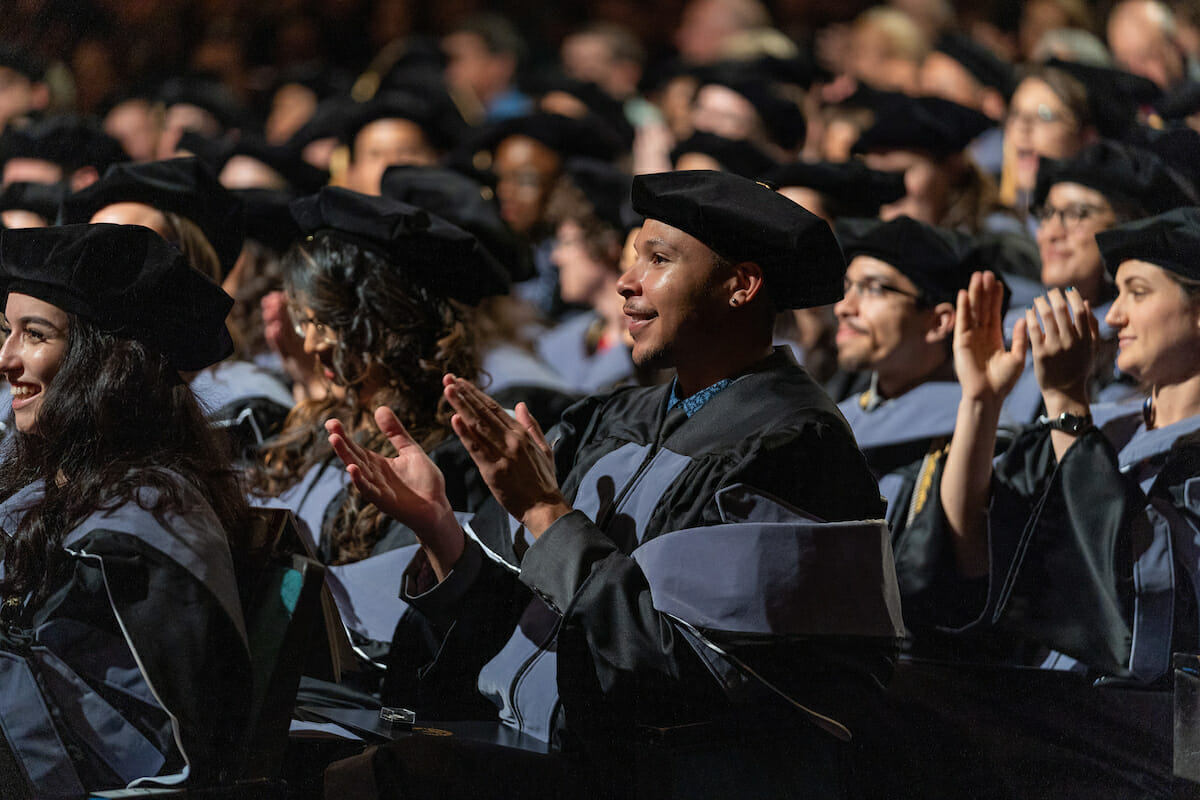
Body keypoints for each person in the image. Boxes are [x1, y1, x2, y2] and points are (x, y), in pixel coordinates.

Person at [324, 171, 901, 797]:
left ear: (741, 285)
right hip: (535, 744)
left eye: (659, 260)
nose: (627, 282)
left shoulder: (793, 449)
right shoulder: (614, 420)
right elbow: (519, 612)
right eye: (633, 258)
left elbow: (688, 671)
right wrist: (437, 526)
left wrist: (546, 511)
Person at [0, 223, 251, 792]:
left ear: (103, 360)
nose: (6, 359)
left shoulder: (149, 516)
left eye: (34, 335)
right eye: (4, 331)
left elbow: (173, 741)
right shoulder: (54, 483)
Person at [254, 187, 509, 679]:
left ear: (381, 319)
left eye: (326, 322)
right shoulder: (318, 425)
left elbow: (418, 627)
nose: (309, 342)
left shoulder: (453, 454)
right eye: (305, 321)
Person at [938, 206, 1200, 681]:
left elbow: (1133, 610)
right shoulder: (1105, 424)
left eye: (1137, 293)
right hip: (1046, 696)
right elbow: (976, 552)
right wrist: (981, 402)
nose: (1114, 315)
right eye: (1116, 293)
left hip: (1133, 730)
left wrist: (1066, 399)